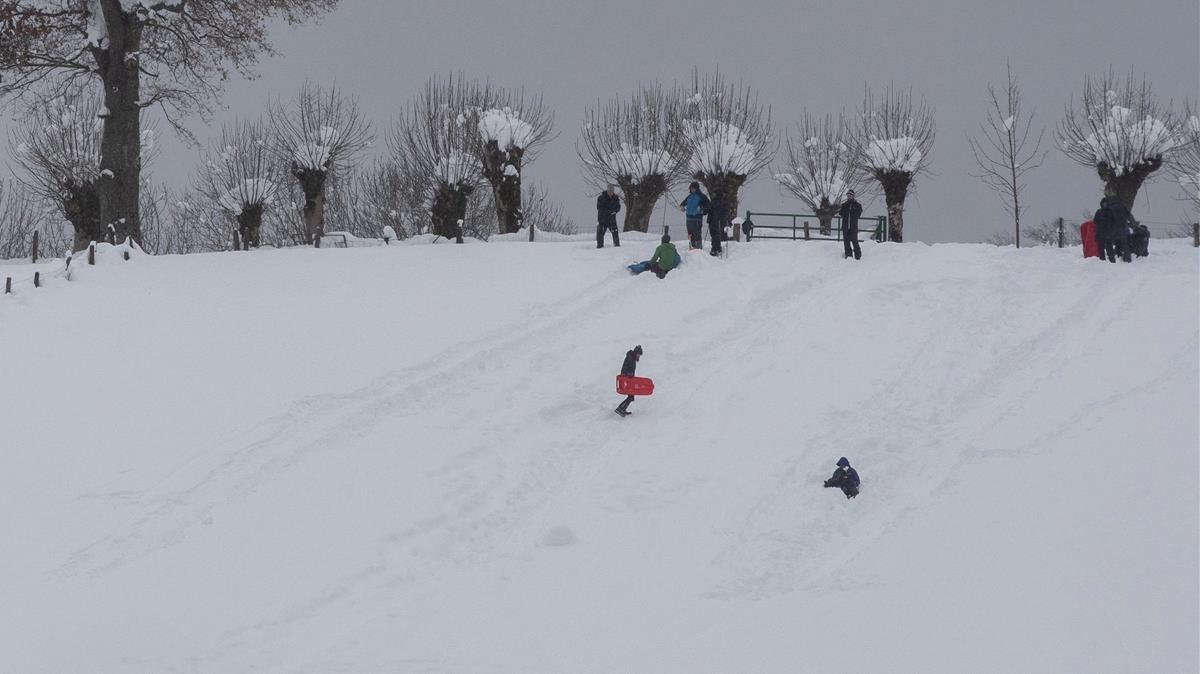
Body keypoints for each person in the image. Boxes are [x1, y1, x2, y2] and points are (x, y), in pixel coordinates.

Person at [1093, 193, 1133, 263]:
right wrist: (1132, 224)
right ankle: (1124, 259)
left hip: (1107, 231)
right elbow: (1128, 216)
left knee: (1105, 246)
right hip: (1119, 229)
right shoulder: (1119, 207)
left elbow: (1096, 222)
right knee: (1122, 244)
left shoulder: (1107, 210)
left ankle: (1108, 260)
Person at [678, 182, 711, 250]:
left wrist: (701, 207)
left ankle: (698, 249)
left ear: (697, 188)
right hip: (688, 218)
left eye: (694, 188)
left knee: (697, 234)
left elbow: (708, 204)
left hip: (697, 218)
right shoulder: (689, 196)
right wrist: (682, 206)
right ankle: (691, 247)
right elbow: (683, 203)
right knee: (690, 234)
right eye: (691, 188)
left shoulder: (702, 196)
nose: (692, 189)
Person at [615, 345, 642, 417]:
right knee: (631, 397)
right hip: (626, 379)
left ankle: (622, 409)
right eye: (639, 354)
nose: (639, 356)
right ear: (636, 353)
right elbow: (625, 368)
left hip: (628, 379)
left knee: (631, 396)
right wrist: (628, 374)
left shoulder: (632, 358)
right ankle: (620, 409)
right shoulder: (630, 357)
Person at [839, 190, 863, 260]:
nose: (849, 197)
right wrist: (846, 207)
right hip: (845, 227)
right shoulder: (844, 205)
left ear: (853, 196)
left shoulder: (857, 205)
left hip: (853, 227)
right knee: (846, 242)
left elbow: (858, 214)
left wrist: (853, 210)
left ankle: (858, 255)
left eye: (851, 195)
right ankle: (848, 255)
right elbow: (840, 213)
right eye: (848, 195)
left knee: (854, 241)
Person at [596, 184, 621, 248]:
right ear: (607, 191)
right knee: (601, 232)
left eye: (612, 191)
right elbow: (599, 207)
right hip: (603, 218)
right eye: (609, 191)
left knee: (615, 231)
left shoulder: (616, 198)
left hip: (612, 218)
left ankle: (617, 245)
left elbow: (618, 206)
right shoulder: (601, 197)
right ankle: (600, 246)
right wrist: (608, 211)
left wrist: (615, 211)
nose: (611, 193)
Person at [707, 191, 728, 256]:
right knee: (716, 234)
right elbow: (724, 212)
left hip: (712, 221)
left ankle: (714, 248)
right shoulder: (723, 202)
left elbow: (709, 210)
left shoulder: (713, 202)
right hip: (717, 220)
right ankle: (717, 248)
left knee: (714, 234)